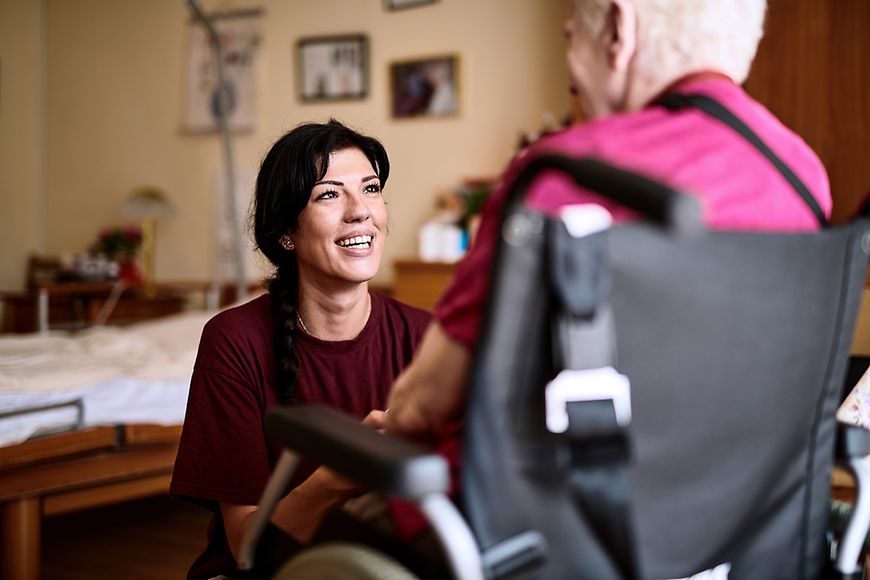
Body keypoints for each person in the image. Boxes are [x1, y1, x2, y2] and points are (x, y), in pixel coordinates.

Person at [385, 0, 831, 442]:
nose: (572, 75)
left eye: (572, 37)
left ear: (618, 32)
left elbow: (422, 406)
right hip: (745, 503)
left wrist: (389, 422)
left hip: (554, 505)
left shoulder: (560, 173)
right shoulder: (802, 175)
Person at [170, 120, 432, 579]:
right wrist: (338, 476)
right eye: (329, 195)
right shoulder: (234, 342)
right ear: (286, 233)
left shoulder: (426, 336)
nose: (360, 212)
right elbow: (245, 548)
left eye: (370, 189)